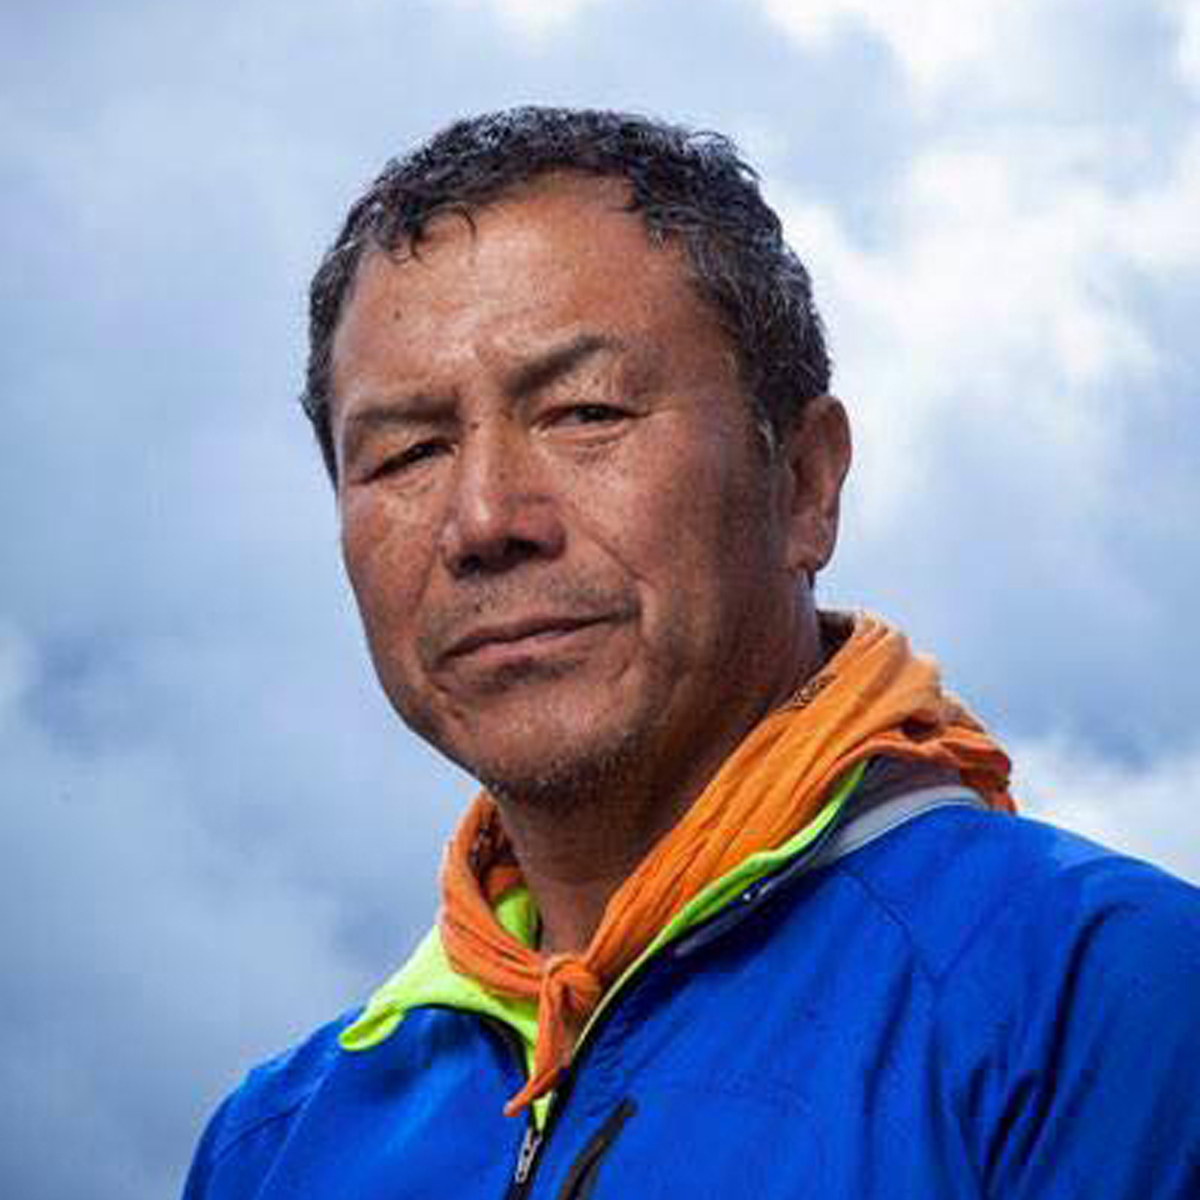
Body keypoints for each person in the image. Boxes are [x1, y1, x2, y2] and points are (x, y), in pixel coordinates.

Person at [183, 107, 1200, 1198]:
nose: (483, 519)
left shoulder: (1100, 1000)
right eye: (406, 453)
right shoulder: (273, 1147)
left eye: (584, 413)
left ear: (804, 482)